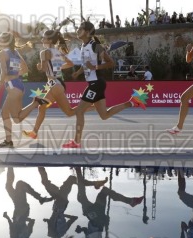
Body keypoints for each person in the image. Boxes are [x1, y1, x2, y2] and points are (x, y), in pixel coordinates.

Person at [61, 21, 146, 149]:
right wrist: (78, 72)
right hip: (96, 84)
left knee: (79, 111)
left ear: (88, 32)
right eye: (78, 28)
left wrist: (95, 67)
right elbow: (86, 65)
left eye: (81, 29)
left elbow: (111, 63)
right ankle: (132, 102)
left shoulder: (96, 46)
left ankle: (76, 142)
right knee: (104, 115)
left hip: (96, 84)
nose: (78, 30)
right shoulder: (84, 46)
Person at [21, 30, 82, 140]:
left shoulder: (44, 52)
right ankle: (34, 132)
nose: (42, 40)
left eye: (44, 38)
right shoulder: (58, 52)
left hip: (54, 84)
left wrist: (40, 67)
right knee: (44, 108)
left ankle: (92, 107)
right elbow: (70, 64)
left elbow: (43, 69)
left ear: (49, 40)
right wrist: (57, 68)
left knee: (67, 111)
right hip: (57, 83)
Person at [0, 32, 42, 147]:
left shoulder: (1, 54)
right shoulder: (15, 52)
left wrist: (0, 83)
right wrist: (16, 74)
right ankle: (8, 141)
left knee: (17, 118)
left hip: (12, 86)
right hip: (17, 85)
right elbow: (25, 69)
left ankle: (35, 103)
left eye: (0, 39)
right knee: (4, 113)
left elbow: (4, 71)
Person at [3, 167, 51, 238]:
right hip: (21, 209)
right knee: (18, 184)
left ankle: (10, 166)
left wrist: (10, 218)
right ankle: (40, 198)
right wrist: (10, 218)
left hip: (21, 209)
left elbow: (31, 223)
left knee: (9, 186)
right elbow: (13, 228)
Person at [38, 167, 78, 238]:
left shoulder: (63, 232)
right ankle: (40, 165)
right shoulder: (51, 234)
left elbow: (74, 218)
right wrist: (60, 214)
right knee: (45, 183)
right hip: (59, 203)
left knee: (70, 181)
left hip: (61, 204)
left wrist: (60, 214)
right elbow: (53, 222)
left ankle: (79, 180)